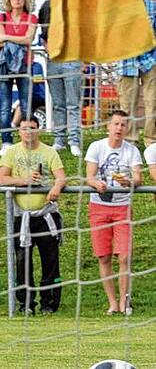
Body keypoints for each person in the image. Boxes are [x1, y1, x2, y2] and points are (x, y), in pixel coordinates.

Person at [0, 116, 67, 315]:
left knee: (50, 261)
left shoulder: (49, 152)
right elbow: (1, 178)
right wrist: (23, 180)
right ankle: (26, 303)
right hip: (22, 217)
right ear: (19, 131)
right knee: (22, 261)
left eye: (33, 128)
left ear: (39, 130)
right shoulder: (12, 152)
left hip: (46, 216)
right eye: (25, 128)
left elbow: (61, 177)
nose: (29, 132)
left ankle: (49, 303)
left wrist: (56, 187)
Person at [84, 110, 142, 315]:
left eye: (123, 125)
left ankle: (125, 301)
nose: (119, 128)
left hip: (123, 207)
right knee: (103, 257)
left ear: (127, 128)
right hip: (99, 207)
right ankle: (113, 303)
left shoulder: (132, 151)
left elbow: (138, 178)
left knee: (124, 256)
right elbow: (89, 177)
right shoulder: (96, 147)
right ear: (108, 126)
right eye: (116, 124)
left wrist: (129, 182)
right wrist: (96, 184)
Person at [0, 0, 38, 156]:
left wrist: (7, 36)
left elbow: (28, 39)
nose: (17, 0)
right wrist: (13, 38)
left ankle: (28, 139)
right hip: (4, 64)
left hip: (25, 64)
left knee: (26, 104)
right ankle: (6, 141)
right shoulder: (2, 17)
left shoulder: (31, 18)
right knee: (5, 105)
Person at [115, 0, 156, 146]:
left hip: (151, 60)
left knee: (152, 102)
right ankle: (129, 141)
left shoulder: (154, 7)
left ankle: (151, 141)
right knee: (127, 104)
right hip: (127, 62)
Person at [38, 0, 83, 156]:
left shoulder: (75, 7)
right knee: (58, 104)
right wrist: (49, 49)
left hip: (72, 59)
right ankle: (59, 140)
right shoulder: (47, 6)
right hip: (53, 61)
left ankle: (74, 141)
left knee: (73, 103)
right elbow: (43, 35)